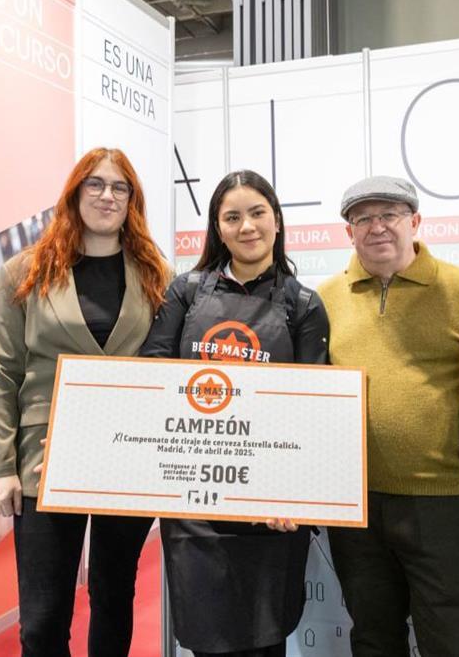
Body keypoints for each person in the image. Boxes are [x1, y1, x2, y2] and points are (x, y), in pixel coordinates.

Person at [0, 148, 171, 657]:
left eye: (119, 187)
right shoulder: (25, 271)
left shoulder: (157, 275)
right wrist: (2, 467)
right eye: (95, 185)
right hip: (45, 461)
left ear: (132, 199)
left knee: (114, 600)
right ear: (74, 193)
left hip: (126, 459)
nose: (107, 196)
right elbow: (3, 374)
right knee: (42, 622)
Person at [140, 169, 329, 657]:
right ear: (217, 228)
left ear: (277, 220)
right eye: (233, 217)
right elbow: (153, 378)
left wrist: (294, 495)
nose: (247, 226)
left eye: (257, 213)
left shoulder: (303, 304)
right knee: (207, 639)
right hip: (195, 502)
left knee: (265, 639)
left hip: (270, 512)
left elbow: (312, 408)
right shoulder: (185, 292)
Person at [316, 177, 459, 657]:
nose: (377, 227)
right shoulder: (326, 299)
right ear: (348, 232)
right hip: (358, 506)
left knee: (453, 638)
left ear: (414, 222)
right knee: (373, 636)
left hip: (443, 501)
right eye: (363, 218)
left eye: (389, 214)